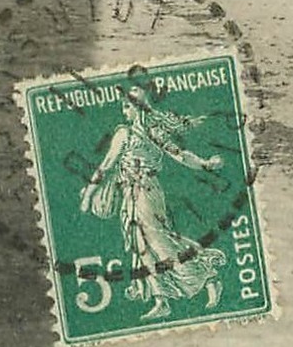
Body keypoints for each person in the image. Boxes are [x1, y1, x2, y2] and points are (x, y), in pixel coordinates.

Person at [78, 86, 228, 322]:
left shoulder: (140, 133)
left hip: (147, 193)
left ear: (136, 108)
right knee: (141, 247)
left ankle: (208, 278)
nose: (124, 111)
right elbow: (107, 166)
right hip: (130, 194)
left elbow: (178, 155)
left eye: (127, 106)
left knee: (159, 241)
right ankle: (161, 301)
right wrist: (89, 193)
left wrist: (206, 164)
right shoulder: (131, 133)